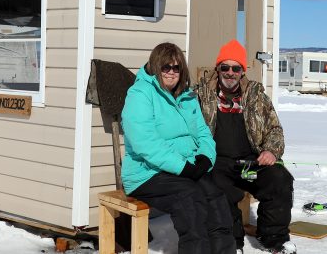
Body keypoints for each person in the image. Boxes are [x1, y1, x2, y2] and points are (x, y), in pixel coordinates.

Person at [121, 42, 236, 254]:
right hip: (147, 173)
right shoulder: (140, 94)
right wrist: (182, 167)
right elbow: (145, 143)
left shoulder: (187, 95)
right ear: (156, 67)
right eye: (166, 67)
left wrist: (205, 157)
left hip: (184, 168)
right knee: (189, 199)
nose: (171, 73)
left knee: (216, 196)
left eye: (176, 68)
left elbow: (203, 132)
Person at [195, 39, 296, 254]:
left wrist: (271, 150)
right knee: (220, 190)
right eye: (225, 67)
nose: (230, 72)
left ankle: (273, 238)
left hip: (251, 161)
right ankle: (231, 242)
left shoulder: (256, 95)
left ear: (243, 71)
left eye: (236, 68)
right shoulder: (200, 95)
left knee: (280, 180)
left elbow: (275, 130)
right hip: (216, 162)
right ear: (218, 69)